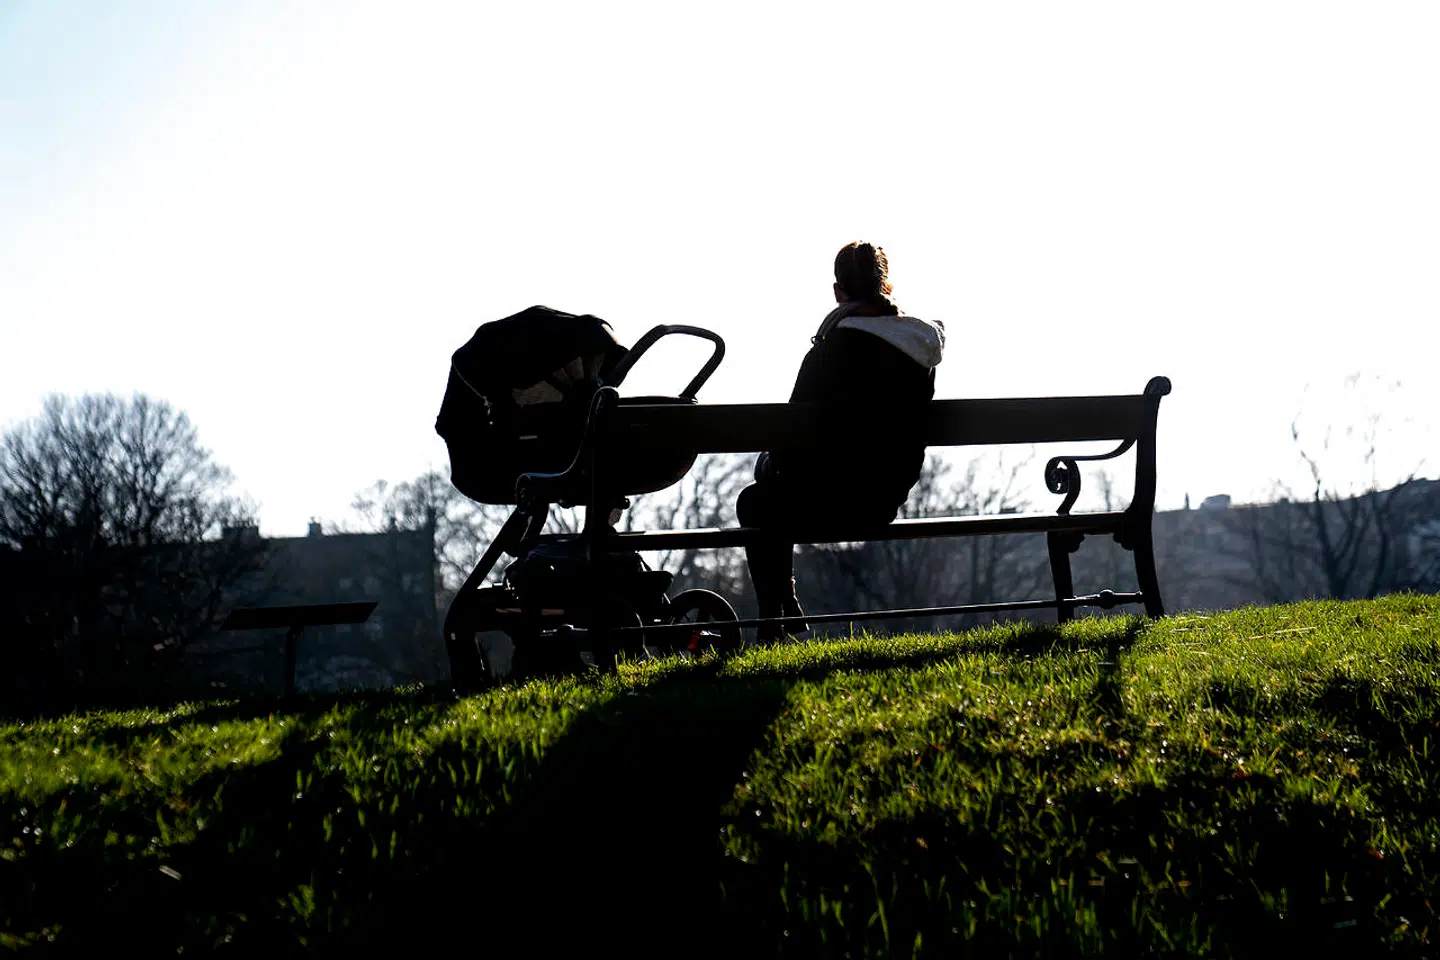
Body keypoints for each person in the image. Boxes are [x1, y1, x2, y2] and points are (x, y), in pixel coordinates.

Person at [737, 241, 945, 643]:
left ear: (838, 292)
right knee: (771, 501)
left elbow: (789, 433)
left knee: (757, 501)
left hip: (831, 502)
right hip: (885, 499)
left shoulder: (830, 351)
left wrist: (769, 464)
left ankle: (773, 621)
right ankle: (785, 608)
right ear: (887, 286)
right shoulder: (919, 352)